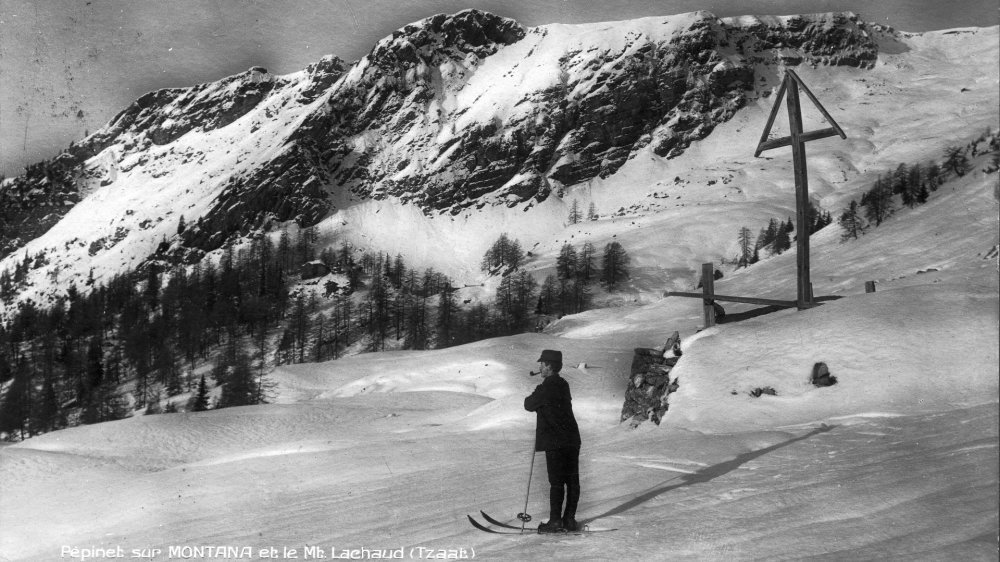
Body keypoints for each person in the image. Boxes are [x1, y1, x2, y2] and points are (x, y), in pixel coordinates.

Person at [524, 349, 581, 533]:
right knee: (572, 480)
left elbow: (528, 404)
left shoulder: (546, 387)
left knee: (556, 482)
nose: (540, 367)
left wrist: (539, 389)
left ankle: (555, 521)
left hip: (556, 441)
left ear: (549, 366)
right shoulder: (563, 384)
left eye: (542, 364)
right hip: (572, 439)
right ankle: (569, 520)